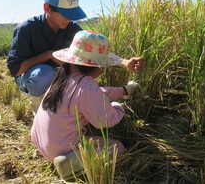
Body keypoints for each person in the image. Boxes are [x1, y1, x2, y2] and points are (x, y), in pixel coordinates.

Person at [7, 0, 144, 113]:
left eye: (72, 14)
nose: (69, 19)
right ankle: (40, 107)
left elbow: (95, 53)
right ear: (47, 8)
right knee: (43, 75)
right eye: (65, 14)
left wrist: (126, 63)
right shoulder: (26, 29)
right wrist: (48, 55)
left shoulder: (72, 29)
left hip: (60, 75)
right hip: (34, 77)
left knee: (85, 68)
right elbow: (16, 69)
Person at [31, 30, 143, 180]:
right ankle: (70, 162)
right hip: (61, 150)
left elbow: (98, 92)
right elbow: (106, 120)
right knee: (117, 148)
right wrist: (118, 107)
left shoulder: (63, 77)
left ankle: (67, 159)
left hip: (42, 143)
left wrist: (124, 90)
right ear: (99, 67)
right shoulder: (87, 86)